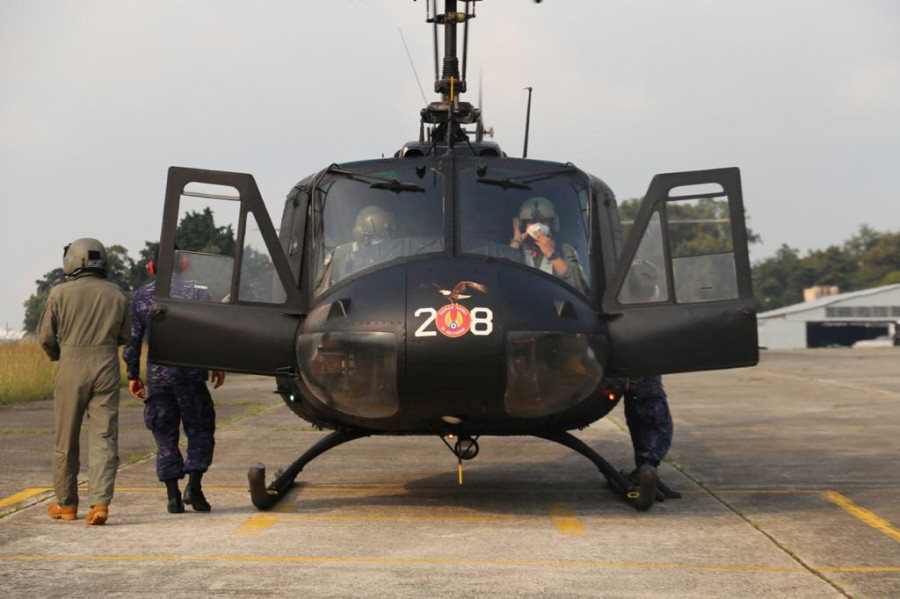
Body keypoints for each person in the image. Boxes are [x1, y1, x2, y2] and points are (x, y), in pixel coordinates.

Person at [123, 248, 225, 513]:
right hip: (191, 376)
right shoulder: (199, 291)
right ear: (184, 264)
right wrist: (218, 363)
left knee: (164, 436)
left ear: (151, 267)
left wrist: (133, 375)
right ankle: (194, 487)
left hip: (158, 379)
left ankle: (172, 496)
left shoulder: (142, 296)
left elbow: (132, 341)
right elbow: (213, 329)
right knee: (200, 430)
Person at [38, 238, 131, 525]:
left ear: (73, 261)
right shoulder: (117, 294)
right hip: (106, 365)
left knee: (66, 438)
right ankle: (100, 504)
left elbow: (45, 337)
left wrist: (59, 354)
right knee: (104, 437)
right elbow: (125, 336)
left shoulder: (59, 293)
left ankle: (66, 504)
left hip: (71, 366)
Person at [509, 197, 588, 294]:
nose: (537, 226)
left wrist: (552, 254)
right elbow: (504, 274)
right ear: (522, 224)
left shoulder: (564, 249)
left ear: (553, 223)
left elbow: (578, 285)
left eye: (543, 221)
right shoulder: (518, 249)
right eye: (532, 222)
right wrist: (516, 241)